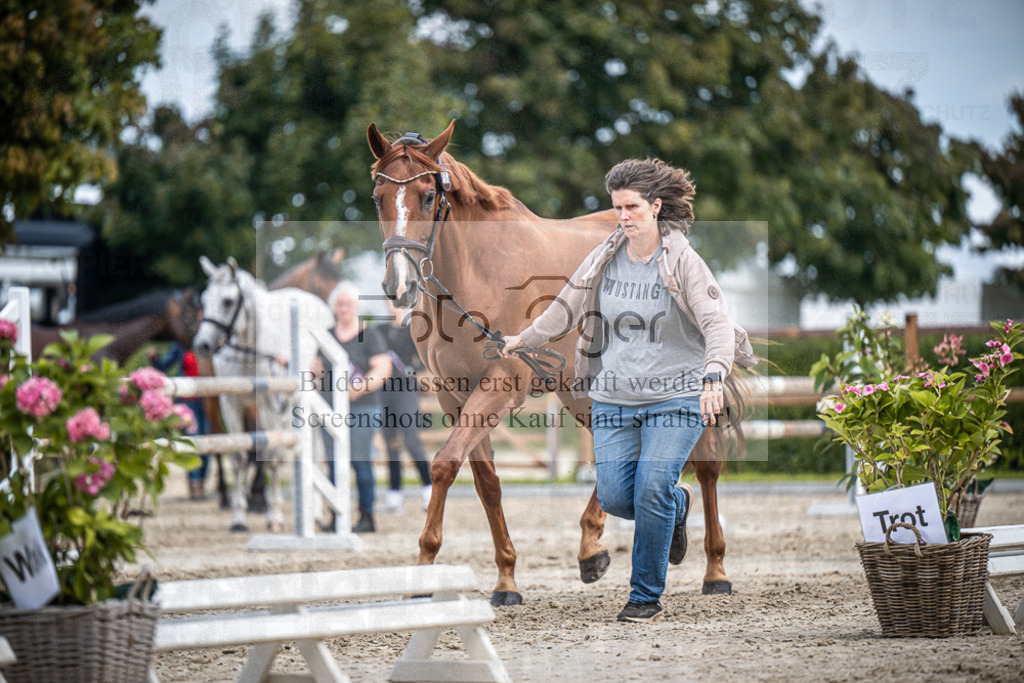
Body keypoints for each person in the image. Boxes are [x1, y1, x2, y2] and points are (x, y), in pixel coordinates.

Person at [502, 158, 756, 623]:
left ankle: (645, 596)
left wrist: (714, 376)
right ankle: (677, 504)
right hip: (614, 396)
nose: (623, 216)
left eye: (632, 207)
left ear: (656, 207)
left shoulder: (682, 260)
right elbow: (566, 307)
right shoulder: (604, 256)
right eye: (617, 207)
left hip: (676, 395)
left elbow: (716, 324)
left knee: (651, 487)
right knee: (619, 498)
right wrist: (524, 339)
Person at [316, 281, 392, 533]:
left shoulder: (369, 335)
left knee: (361, 462)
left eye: (348, 304)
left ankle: (366, 515)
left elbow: (383, 368)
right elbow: (315, 369)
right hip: (330, 409)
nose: (344, 309)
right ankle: (337, 515)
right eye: (339, 304)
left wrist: (357, 389)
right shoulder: (325, 335)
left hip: (363, 408)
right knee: (334, 463)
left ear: (356, 307)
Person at [375, 298, 432, 513]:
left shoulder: (412, 332)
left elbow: (423, 361)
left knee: (411, 440)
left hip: (406, 389)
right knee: (391, 443)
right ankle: (394, 493)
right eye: (389, 303)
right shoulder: (378, 330)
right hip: (384, 391)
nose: (393, 307)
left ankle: (428, 488)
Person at [150, 341, 211, 501]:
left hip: (207, 398)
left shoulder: (208, 343)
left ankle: (203, 482)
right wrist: (155, 359)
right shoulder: (179, 345)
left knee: (208, 438)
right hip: (188, 400)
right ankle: (194, 483)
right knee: (194, 439)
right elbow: (165, 365)